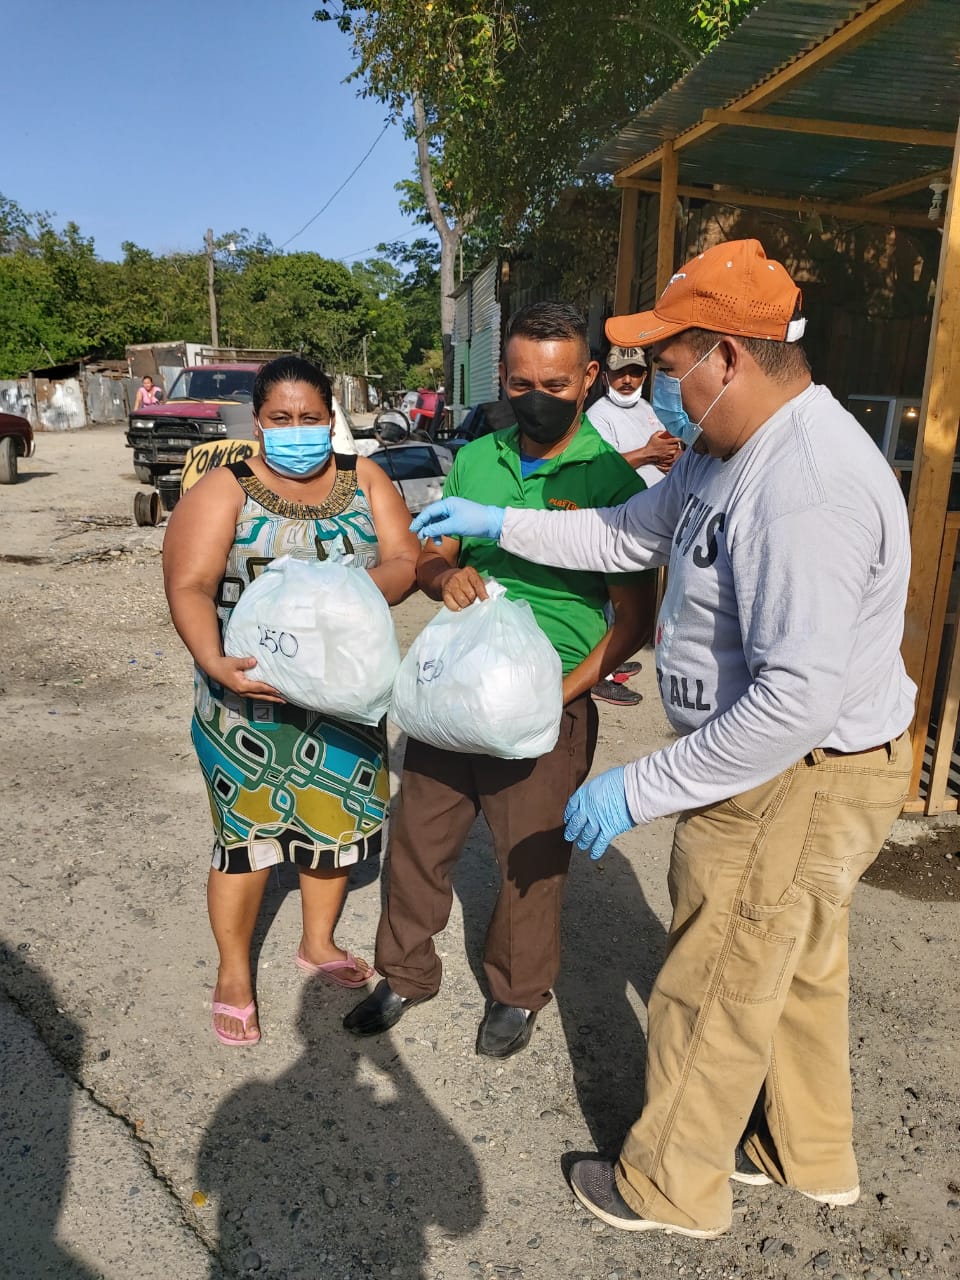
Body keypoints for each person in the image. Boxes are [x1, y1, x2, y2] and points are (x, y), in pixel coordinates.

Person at [410, 240, 916, 1236]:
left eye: (674, 362)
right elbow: (621, 534)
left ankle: (670, 1185)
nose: (663, 389)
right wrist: (498, 519)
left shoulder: (804, 485)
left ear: (727, 354)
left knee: (716, 975)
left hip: (798, 770)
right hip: (799, 765)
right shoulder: (731, 453)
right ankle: (803, 1150)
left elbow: (794, 701)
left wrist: (641, 786)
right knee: (794, 964)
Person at [343, 301, 657, 1059]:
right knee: (419, 836)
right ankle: (405, 972)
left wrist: (567, 693)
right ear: (504, 381)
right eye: (520, 383)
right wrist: (443, 575)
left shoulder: (612, 478)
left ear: (588, 377)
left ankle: (517, 993)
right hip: (460, 686)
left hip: (551, 698)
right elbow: (428, 554)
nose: (536, 397)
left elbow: (633, 619)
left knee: (530, 858)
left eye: (554, 381)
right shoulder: (478, 456)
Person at [163, 355, 418, 1046]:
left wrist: (350, 590)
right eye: (282, 419)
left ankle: (318, 942)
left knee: (334, 829)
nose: (297, 431)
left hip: (342, 701)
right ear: (258, 420)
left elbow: (404, 558)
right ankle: (233, 972)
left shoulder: (364, 478)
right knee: (244, 844)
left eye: (311, 419)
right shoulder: (225, 489)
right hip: (246, 700)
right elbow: (189, 583)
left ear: (332, 419)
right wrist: (215, 661)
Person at [586, 346, 680, 488]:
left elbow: (674, 449)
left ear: (644, 377)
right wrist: (647, 453)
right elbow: (598, 471)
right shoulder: (596, 416)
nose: (627, 380)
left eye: (634, 373)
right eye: (619, 372)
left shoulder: (651, 409)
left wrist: (676, 456)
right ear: (605, 378)